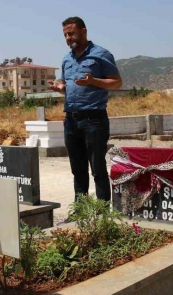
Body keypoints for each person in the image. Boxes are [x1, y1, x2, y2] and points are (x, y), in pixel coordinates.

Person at [50, 17, 122, 201]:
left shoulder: (101, 54)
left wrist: (93, 81)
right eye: (65, 34)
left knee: (97, 169)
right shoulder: (67, 59)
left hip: (94, 119)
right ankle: (81, 212)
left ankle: (103, 213)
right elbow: (67, 85)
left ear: (83, 31)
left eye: (71, 33)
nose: (68, 37)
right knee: (78, 169)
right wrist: (60, 87)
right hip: (71, 120)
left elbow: (116, 83)